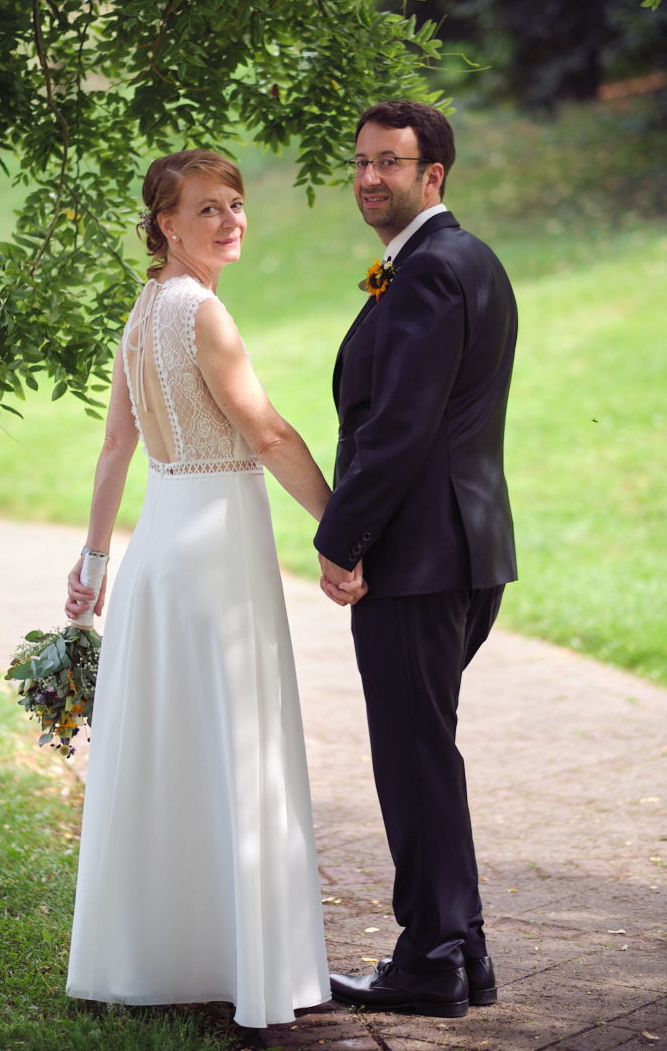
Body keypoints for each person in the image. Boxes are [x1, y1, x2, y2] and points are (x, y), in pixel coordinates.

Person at [63, 149, 331, 1027]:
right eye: (207, 209)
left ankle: (165, 955)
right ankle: (238, 963)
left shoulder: (144, 312)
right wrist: (342, 532)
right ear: (166, 225)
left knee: (173, 752)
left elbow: (117, 447)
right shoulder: (200, 312)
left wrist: (93, 563)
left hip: (159, 549)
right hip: (215, 553)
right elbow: (268, 433)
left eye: (235, 204)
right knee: (230, 743)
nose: (229, 221)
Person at [315, 100, 517, 1019]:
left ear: (432, 175)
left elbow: (399, 428)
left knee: (412, 757)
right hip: (463, 550)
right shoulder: (465, 260)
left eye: (389, 162)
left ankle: (430, 961)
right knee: (426, 751)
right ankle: (461, 950)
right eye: (361, 161)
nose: (369, 177)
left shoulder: (431, 269)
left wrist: (340, 540)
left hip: (419, 556)